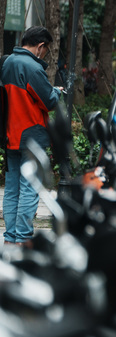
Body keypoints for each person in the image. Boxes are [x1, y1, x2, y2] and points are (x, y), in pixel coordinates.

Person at [2, 26, 63, 245]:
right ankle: (23, 237)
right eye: (45, 50)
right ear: (40, 46)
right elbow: (49, 102)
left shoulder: (7, 63)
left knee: (11, 189)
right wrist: (56, 91)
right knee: (29, 188)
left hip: (11, 135)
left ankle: (10, 238)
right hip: (32, 138)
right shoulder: (33, 68)